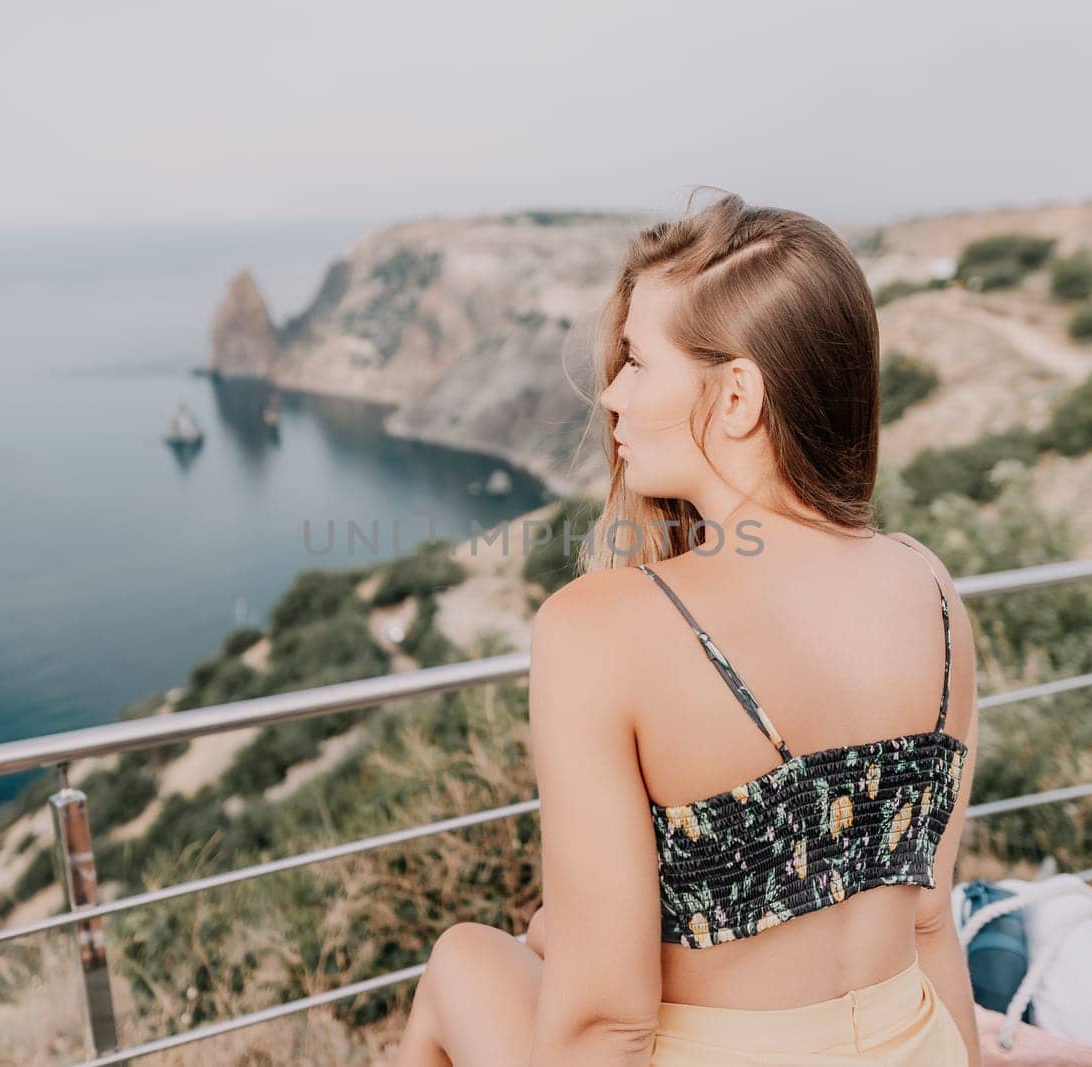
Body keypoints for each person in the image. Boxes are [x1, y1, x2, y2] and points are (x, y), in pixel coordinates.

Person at [394, 190, 982, 1066]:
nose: (610, 394)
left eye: (635, 361)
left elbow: (607, 1027)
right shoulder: (930, 588)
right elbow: (930, 918)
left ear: (736, 394)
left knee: (463, 959)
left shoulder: (602, 627)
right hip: (913, 1040)